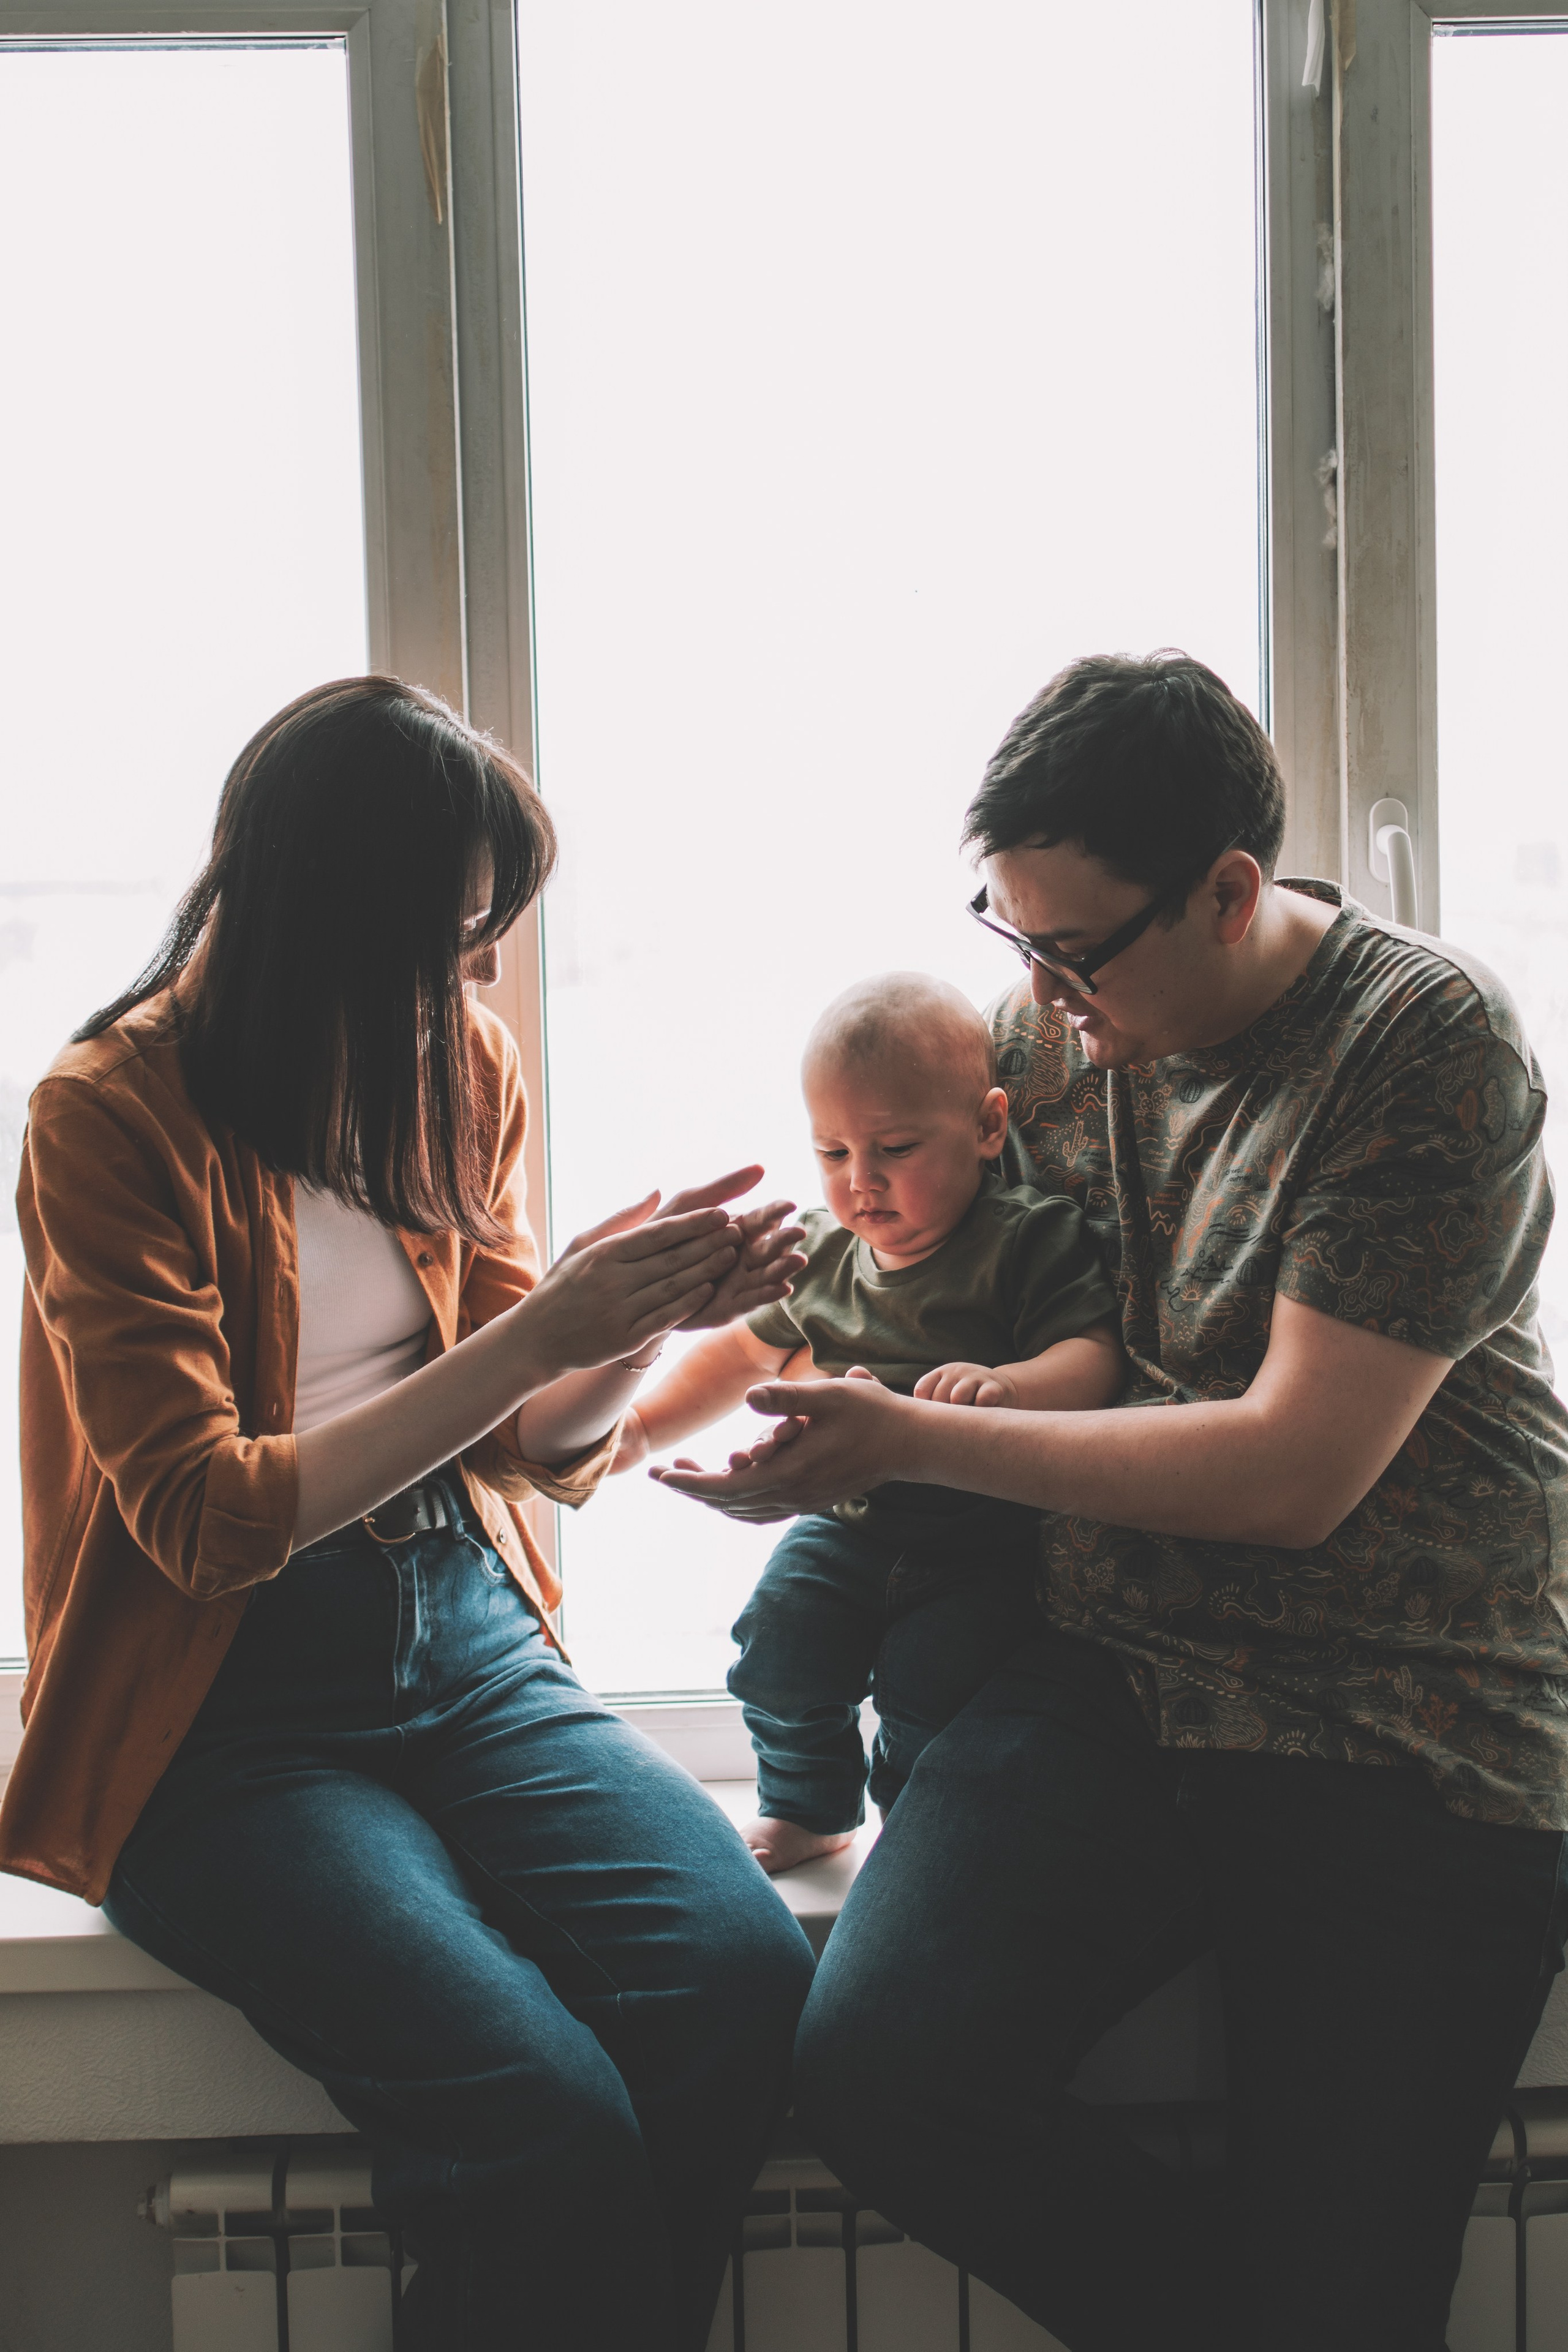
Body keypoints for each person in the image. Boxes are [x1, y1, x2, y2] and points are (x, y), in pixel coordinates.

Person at [654, 652, 1568, 2352]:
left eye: (1073, 951)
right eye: (1013, 936)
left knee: (1347, 2292)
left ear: (1227, 892)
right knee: (880, 2076)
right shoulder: (1040, 1040)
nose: (1040, 990)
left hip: (1412, 1720)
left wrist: (905, 1444)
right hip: (1117, 1667)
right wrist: (715, 1341)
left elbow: (1293, 1471)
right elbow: (906, 1262)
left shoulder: (1422, 1046)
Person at [8, 676, 816, 2352]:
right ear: (325, 922)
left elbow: (527, 1447)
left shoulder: (458, 1068)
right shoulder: (110, 1111)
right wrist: (537, 1333)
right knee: (539, 2118)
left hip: (460, 1635)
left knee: (739, 1986)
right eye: (452, 938)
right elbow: (198, 1519)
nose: (481, 977)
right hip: (215, 1715)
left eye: (490, 933)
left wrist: (628, 1324)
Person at [617, 971, 1120, 1872]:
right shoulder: (822, 1252)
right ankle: (809, 1809)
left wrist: (1010, 1387)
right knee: (776, 1644)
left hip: (981, 1542)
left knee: (934, 1689)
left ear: (987, 1128)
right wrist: (644, 1428)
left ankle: (914, 1832)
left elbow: (1095, 1357)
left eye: (895, 1148)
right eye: (834, 1152)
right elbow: (741, 1355)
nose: (862, 1181)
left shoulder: (1024, 1238)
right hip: (847, 1528)